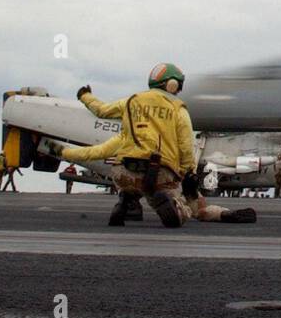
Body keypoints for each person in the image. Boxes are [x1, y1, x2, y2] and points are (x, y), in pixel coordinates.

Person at [44, 63, 256, 227]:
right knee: (188, 210)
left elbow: (100, 125)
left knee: (130, 182)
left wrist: (85, 96)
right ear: (172, 85)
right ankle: (205, 212)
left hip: (123, 172)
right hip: (159, 175)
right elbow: (185, 146)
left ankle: (126, 202)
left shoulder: (130, 105)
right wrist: (188, 175)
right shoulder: (178, 110)